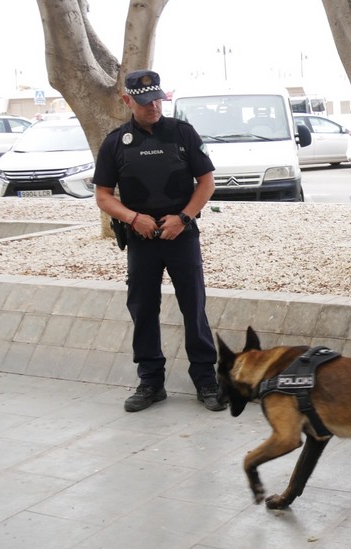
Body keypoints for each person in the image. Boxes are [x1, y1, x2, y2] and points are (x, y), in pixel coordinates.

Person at [93, 69, 226, 413]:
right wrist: (133, 218)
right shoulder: (115, 142)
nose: (153, 106)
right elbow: (104, 196)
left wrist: (183, 219)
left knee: (193, 306)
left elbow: (206, 183)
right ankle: (150, 382)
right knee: (143, 308)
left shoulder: (182, 133)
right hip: (141, 238)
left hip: (181, 234)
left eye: (157, 99)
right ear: (127, 101)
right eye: (144, 101)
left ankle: (205, 381)